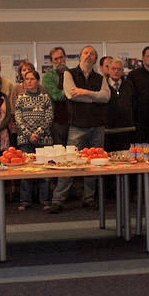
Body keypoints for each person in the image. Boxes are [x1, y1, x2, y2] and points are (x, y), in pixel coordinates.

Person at [50, 45, 109, 213]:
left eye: (92, 54)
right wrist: (94, 96)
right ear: (80, 56)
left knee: (94, 165)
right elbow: (71, 95)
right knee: (69, 163)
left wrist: (84, 92)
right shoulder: (69, 73)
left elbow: (106, 97)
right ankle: (58, 200)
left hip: (97, 126)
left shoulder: (100, 77)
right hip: (77, 126)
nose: (89, 56)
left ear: (95, 59)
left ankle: (89, 198)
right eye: (86, 53)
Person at [13, 68, 53, 210]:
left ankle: (45, 200)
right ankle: (25, 201)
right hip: (25, 139)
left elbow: (49, 118)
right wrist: (29, 134)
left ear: (37, 81)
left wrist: (38, 133)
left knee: (44, 170)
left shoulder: (45, 98)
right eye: (26, 79)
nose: (29, 81)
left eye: (32, 79)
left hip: (44, 139)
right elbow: (18, 119)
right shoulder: (20, 99)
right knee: (26, 170)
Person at [103, 57, 136, 152]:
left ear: (122, 71)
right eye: (113, 69)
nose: (116, 71)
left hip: (127, 130)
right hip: (108, 131)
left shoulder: (129, 85)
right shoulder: (102, 85)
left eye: (119, 69)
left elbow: (134, 105)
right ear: (109, 70)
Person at [40, 46, 70, 146]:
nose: (59, 61)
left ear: (65, 57)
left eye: (61, 57)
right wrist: (71, 91)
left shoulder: (73, 73)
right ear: (51, 61)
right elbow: (57, 96)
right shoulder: (48, 77)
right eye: (56, 59)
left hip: (73, 120)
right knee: (59, 149)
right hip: (57, 120)